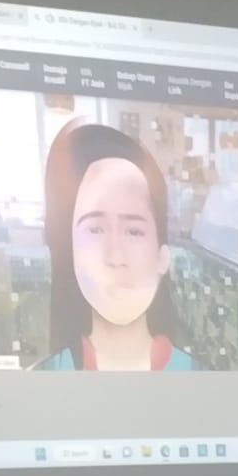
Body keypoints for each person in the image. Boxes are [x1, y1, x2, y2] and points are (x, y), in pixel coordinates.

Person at [35, 123, 200, 371]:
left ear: (162, 256)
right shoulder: (47, 376)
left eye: (134, 231)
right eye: (95, 229)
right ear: (70, 252)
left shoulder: (198, 377)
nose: (115, 256)